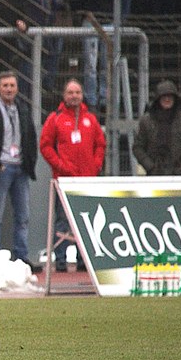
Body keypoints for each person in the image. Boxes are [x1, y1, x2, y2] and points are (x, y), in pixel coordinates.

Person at [39, 79, 105, 271]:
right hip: (64, 180)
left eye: (77, 92)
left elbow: (100, 144)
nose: (74, 96)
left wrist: (95, 165)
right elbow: (45, 146)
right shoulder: (55, 118)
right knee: (62, 220)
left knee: (86, 220)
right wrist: (60, 166)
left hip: (87, 181)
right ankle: (60, 260)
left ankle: (84, 260)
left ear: (82, 95)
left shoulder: (90, 119)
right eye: (70, 92)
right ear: (64, 95)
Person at [0, 71, 39, 271]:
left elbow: (31, 136)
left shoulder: (23, 109)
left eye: (12, 85)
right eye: (5, 86)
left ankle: (22, 257)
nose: (9, 89)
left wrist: (29, 162)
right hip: (2, 167)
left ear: (17, 88)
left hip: (20, 167)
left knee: (23, 216)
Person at [71, 0, 133, 109]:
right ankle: (91, 99)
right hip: (90, 20)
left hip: (110, 20)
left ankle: (106, 99)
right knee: (90, 63)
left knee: (108, 62)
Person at [132, 79, 181, 175]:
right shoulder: (146, 121)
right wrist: (150, 167)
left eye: (170, 96)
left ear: (175, 98)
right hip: (154, 176)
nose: (167, 99)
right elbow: (137, 147)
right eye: (163, 97)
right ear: (158, 99)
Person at [15, 0, 57, 92]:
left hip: (46, 25)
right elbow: (21, 3)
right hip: (30, 26)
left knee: (48, 57)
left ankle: (44, 87)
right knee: (28, 63)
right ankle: (26, 93)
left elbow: (52, 3)